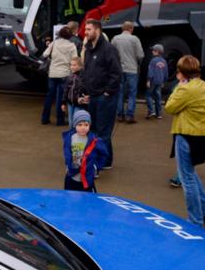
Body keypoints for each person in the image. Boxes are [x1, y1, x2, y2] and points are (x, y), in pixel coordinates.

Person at [164, 55, 205, 226]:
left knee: (187, 179)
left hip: (186, 135)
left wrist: (178, 87)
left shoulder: (185, 89)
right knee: (191, 174)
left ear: (183, 72)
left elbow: (170, 107)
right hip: (201, 135)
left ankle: (195, 220)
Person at [79, 19, 121, 170]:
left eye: (89, 29)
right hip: (93, 96)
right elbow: (86, 71)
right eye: (86, 30)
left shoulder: (109, 49)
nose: (86, 32)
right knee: (95, 129)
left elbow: (116, 73)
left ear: (97, 30)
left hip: (106, 98)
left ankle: (101, 163)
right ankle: (104, 159)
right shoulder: (89, 48)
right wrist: (86, 91)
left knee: (103, 131)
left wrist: (107, 92)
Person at [62, 109, 107, 192]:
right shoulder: (69, 138)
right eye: (79, 125)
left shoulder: (94, 140)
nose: (83, 127)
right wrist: (68, 164)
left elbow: (103, 154)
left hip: (87, 176)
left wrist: (96, 167)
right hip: (71, 174)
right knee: (69, 197)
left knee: (89, 199)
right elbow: (67, 152)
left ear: (89, 125)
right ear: (74, 125)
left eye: (86, 125)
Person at [41, 26, 77, 126]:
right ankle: (60, 120)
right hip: (64, 74)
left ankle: (45, 118)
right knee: (61, 98)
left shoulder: (54, 43)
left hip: (52, 73)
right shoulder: (71, 46)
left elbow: (44, 54)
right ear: (70, 36)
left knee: (49, 96)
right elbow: (74, 60)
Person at [111, 21, 144, 124]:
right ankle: (129, 115)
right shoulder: (135, 39)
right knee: (132, 93)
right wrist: (138, 63)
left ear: (122, 28)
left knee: (119, 92)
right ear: (131, 29)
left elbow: (111, 53)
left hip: (119, 69)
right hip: (132, 69)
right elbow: (140, 55)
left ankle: (120, 115)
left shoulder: (115, 39)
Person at [61, 56, 86, 127]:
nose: (72, 67)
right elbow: (66, 90)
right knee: (71, 122)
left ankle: (76, 136)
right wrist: (63, 102)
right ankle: (72, 136)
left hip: (79, 104)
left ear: (81, 66)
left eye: (75, 65)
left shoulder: (83, 76)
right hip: (70, 103)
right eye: (71, 65)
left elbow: (84, 89)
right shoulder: (70, 76)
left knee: (77, 122)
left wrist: (82, 99)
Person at [145, 44, 168, 120]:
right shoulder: (164, 61)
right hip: (160, 81)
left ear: (157, 52)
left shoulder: (153, 60)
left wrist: (148, 80)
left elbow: (150, 71)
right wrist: (163, 81)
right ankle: (159, 114)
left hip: (153, 81)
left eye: (153, 50)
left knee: (148, 95)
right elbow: (166, 73)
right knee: (158, 97)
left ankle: (151, 110)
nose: (152, 51)